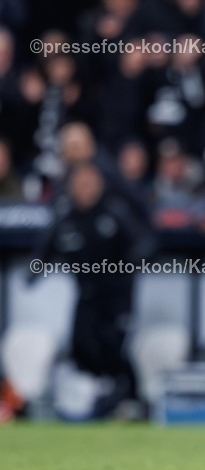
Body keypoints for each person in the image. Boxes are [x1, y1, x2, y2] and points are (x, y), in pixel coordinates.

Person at [33, 162, 155, 418]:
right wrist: (35, 272)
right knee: (83, 345)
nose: (85, 189)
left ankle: (131, 400)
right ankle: (98, 398)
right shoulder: (67, 219)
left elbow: (143, 243)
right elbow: (47, 249)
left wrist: (128, 266)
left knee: (115, 344)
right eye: (80, 184)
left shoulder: (115, 213)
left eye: (90, 183)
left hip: (116, 297)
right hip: (85, 295)